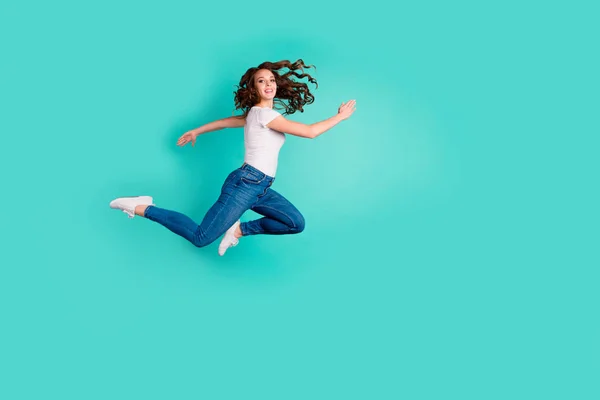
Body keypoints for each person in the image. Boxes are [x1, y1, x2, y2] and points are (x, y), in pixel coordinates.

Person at [109, 59, 356, 256]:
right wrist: (340, 117)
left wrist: (197, 130)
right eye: (261, 81)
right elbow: (310, 132)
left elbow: (227, 122)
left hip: (260, 187)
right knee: (200, 238)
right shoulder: (264, 115)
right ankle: (141, 205)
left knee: (295, 223)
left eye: (271, 80)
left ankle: (238, 230)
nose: (268, 84)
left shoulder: (257, 114)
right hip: (245, 184)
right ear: (254, 87)